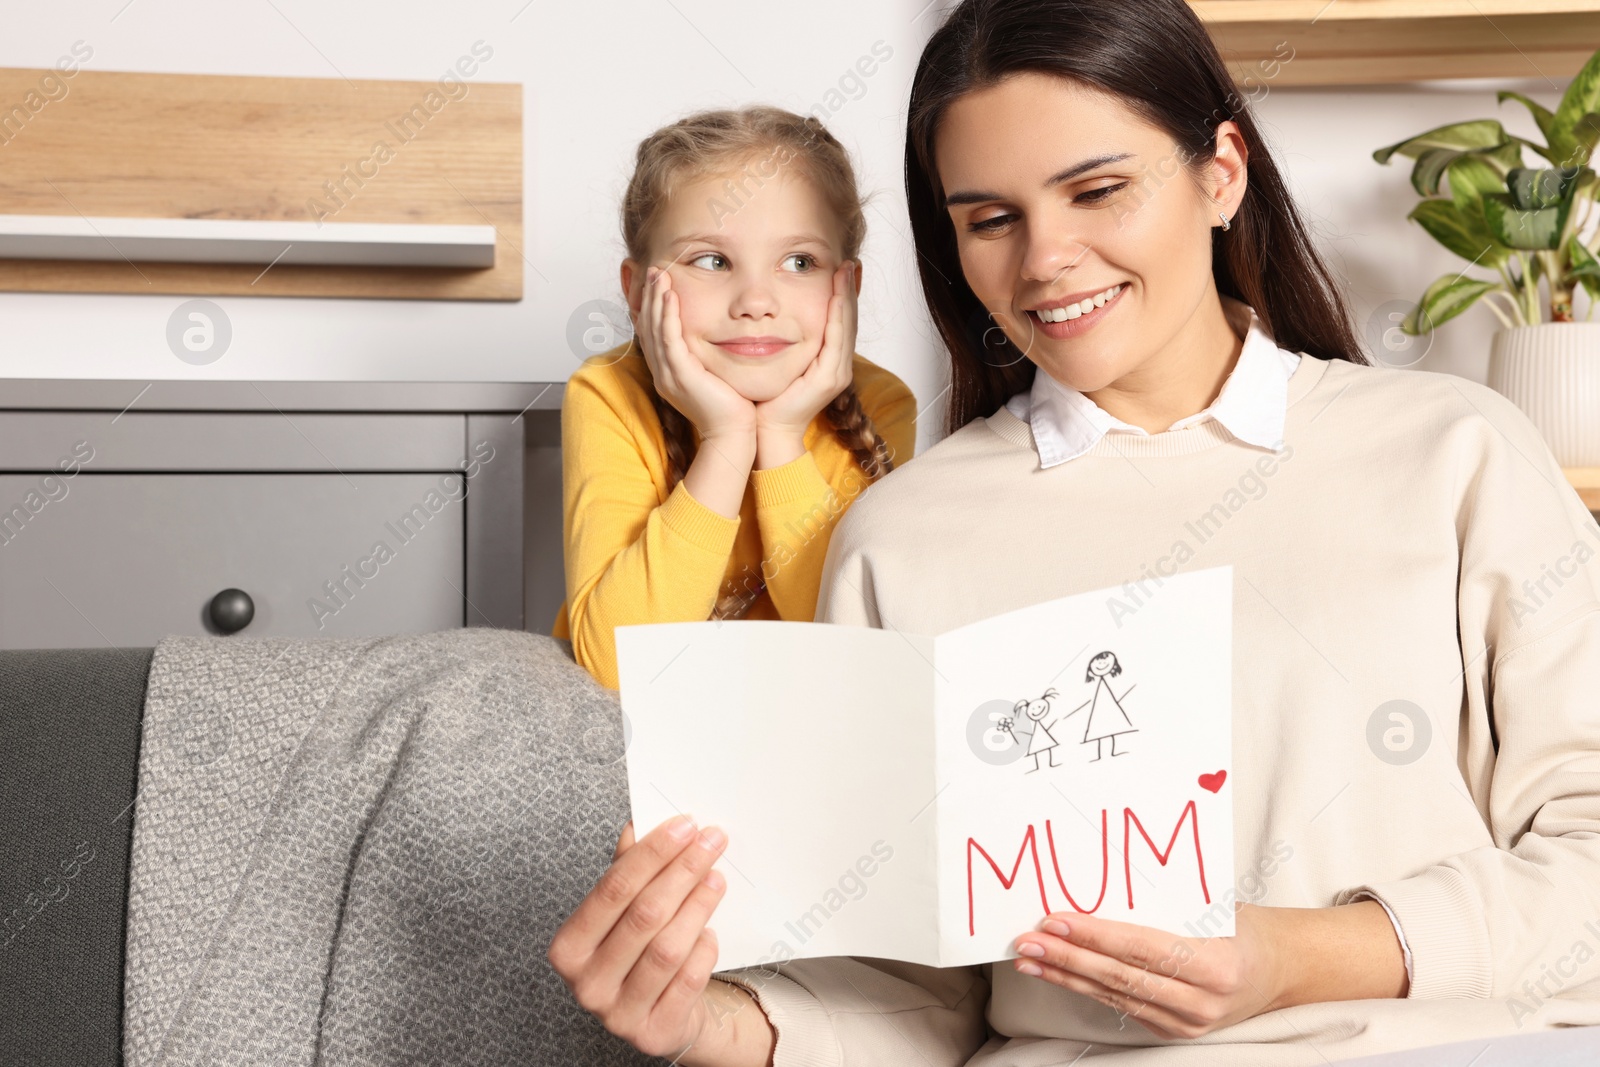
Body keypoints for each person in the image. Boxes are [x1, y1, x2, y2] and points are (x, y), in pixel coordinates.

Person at [548, 1, 1600, 1063]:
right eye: (989, 218)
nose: (1045, 258)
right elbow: (914, 992)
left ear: (1221, 172)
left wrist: (1297, 956)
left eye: (1097, 190)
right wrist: (710, 1021)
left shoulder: (1455, 452)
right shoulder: (902, 537)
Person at [551, 105, 918, 690]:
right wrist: (725, 441)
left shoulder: (882, 401)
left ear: (846, 289)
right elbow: (616, 668)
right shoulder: (609, 393)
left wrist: (780, 437)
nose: (755, 300)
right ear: (638, 292)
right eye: (712, 260)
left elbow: (853, 654)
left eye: (799, 262)